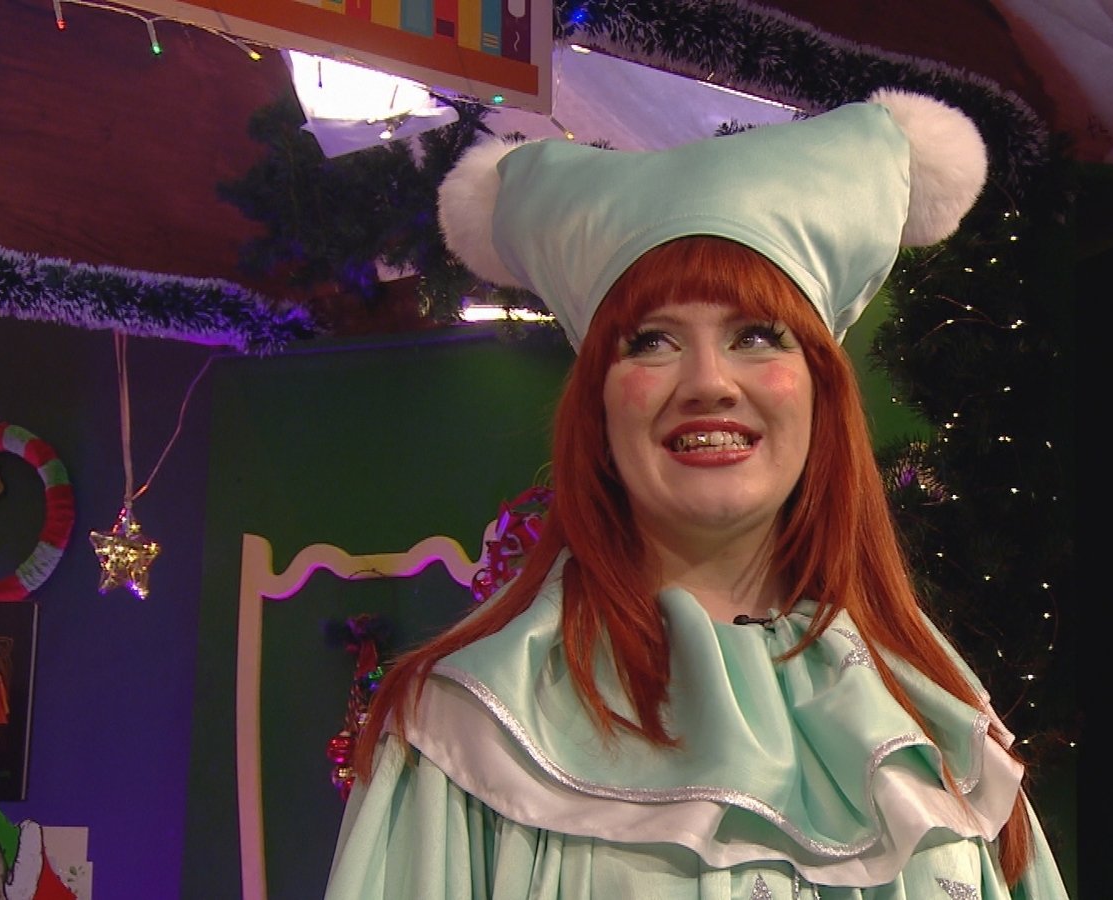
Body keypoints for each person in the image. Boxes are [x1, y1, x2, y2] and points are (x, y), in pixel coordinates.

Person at [325, 89, 1069, 899]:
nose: (709, 381)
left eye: (757, 335)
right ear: (598, 404)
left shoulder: (941, 722)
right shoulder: (464, 735)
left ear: (821, 391)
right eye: (651, 341)